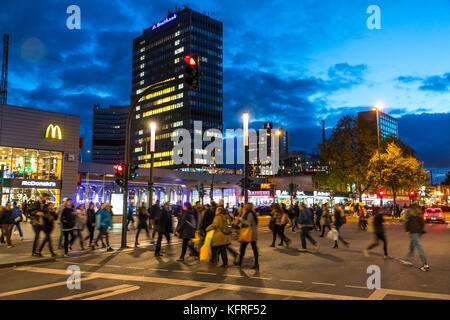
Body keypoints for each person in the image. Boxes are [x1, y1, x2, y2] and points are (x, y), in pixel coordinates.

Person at [400, 203, 429, 271]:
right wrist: (422, 230)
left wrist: (407, 230)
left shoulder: (409, 211)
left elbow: (406, 221)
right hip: (419, 231)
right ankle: (407, 259)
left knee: (418, 247)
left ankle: (425, 265)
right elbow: (422, 222)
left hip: (413, 231)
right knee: (412, 245)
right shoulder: (419, 211)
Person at [237, 203, 259, 270]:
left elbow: (248, 223)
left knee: (244, 248)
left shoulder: (249, 214)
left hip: (249, 233)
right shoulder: (251, 213)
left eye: (245, 206)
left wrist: (241, 219)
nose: (244, 207)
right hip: (251, 233)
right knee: (251, 248)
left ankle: (255, 264)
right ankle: (255, 263)